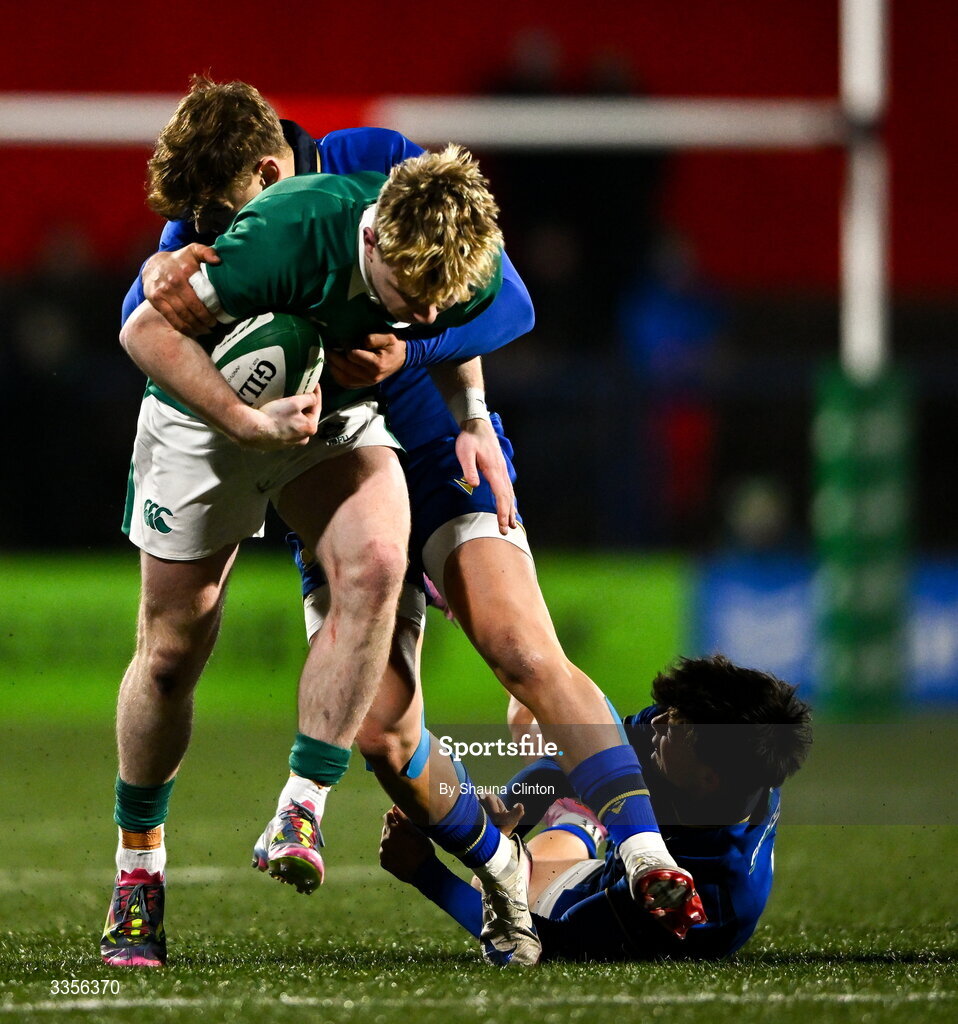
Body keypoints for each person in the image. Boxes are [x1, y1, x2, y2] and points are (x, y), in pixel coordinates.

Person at [128, 76, 708, 966]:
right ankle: (501, 865)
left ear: (269, 171)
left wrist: (445, 384)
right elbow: (147, 317)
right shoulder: (239, 218)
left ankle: (646, 854)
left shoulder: (380, 164)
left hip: (434, 441)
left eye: (216, 213)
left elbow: (493, 296)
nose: (208, 230)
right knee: (385, 734)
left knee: (522, 651)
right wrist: (156, 281)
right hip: (332, 448)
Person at [101, 87, 506, 969]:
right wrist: (246, 422)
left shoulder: (427, 239)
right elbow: (142, 332)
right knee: (170, 654)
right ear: (374, 244)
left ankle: (302, 804)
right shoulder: (283, 229)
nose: (423, 318)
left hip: (324, 411)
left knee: (378, 561)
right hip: (205, 412)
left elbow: (474, 311)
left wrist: (471, 410)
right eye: (408, 301)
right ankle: (139, 872)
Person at [380, 655, 813, 961]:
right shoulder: (721, 762)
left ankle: (584, 821)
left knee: (489, 884)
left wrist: (425, 872)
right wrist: (507, 819)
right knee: (547, 727)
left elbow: (544, 944)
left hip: (629, 913)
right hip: (620, 865)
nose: (657, 722)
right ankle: (584, 819)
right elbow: (579, 761)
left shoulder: (704, 897)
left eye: (673, 727)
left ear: (708, 778)